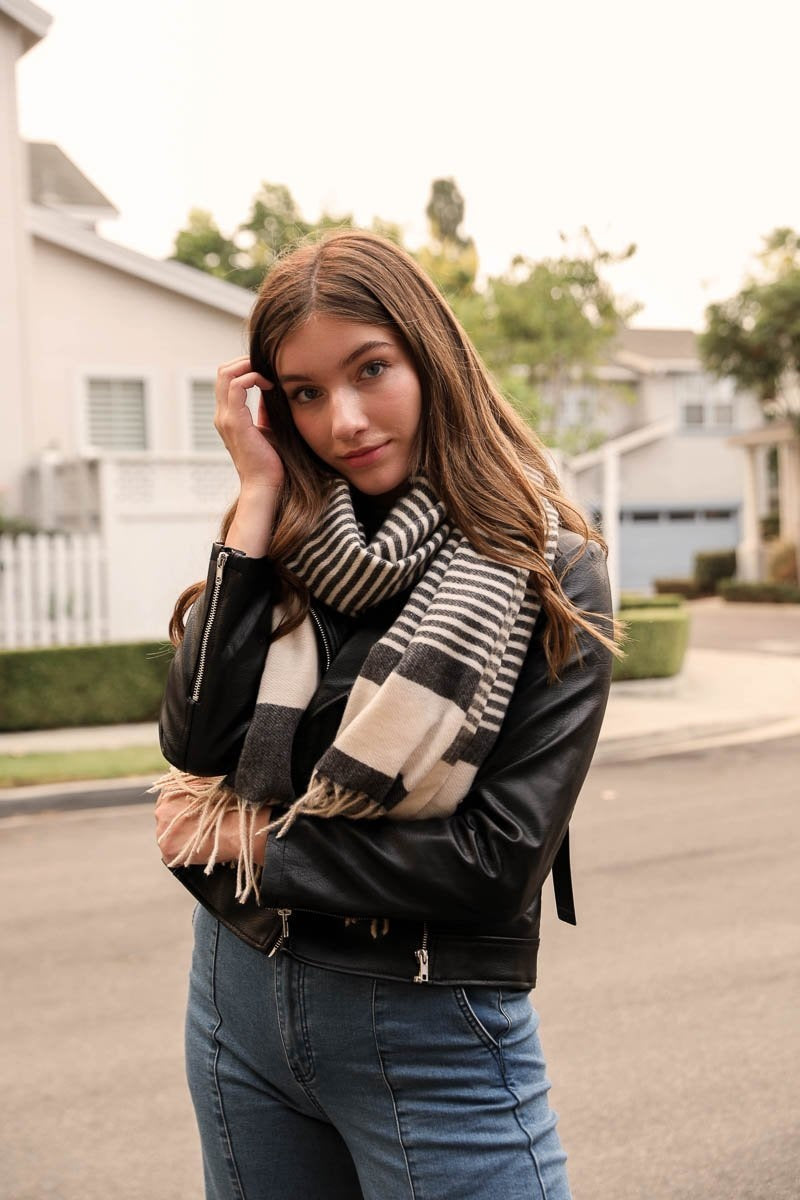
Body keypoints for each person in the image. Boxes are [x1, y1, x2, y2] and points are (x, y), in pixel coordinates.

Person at [153, 229, 618, 1200]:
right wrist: (253, 497)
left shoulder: (547, 571)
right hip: (237, 997)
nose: (345, 421)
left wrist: (245, 844)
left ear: (429, 358)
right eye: (306, 393)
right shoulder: (287, 541)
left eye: (371, 370)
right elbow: (195, 740)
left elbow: (493, 862)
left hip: (427, 1018)